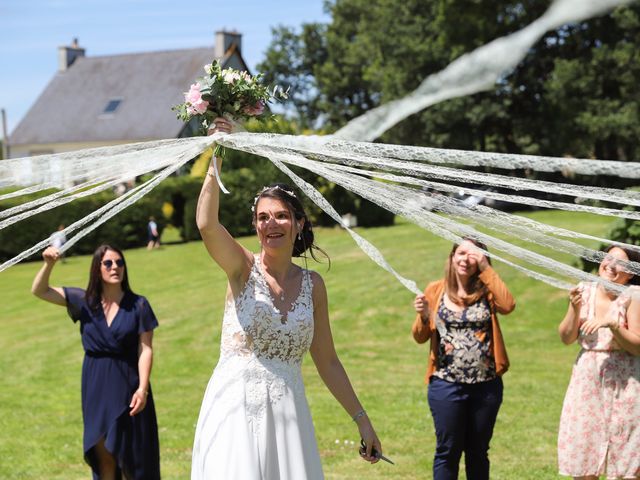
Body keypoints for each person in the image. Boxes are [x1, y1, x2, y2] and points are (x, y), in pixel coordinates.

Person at [190, 117, 382, 479]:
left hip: (288, 415)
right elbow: (206, 224)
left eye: (280, 216)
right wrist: (217, 151)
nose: (271, 224)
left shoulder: (313, 286)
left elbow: (328, 362)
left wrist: (362, 420)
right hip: (235, 411)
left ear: (298, 224)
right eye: (263, 218)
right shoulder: (241, 268)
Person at [31, 244, 161, 480]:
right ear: (97, 268)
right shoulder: (85, 302)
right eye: (108, 263)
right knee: (103, 458)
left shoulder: (138, 305)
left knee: (135, 457)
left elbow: (146, 348)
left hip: (129, 385)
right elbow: (40, 291)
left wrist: (142, 388)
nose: (115, 267)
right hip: (96, 385)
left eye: (119, 263)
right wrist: (48, 264)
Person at [412, 237, 515, 480]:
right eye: (461, 253)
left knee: (478, 452)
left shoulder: (487, 290)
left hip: (486, 387)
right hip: (446, 385)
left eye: (474, 255)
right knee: (447, 451)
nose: (465, 260)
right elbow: (419, 337)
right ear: (452, 257)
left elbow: (508, 305)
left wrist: (486, 268)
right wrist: (424, 316)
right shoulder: (435, 290)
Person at [557, 245, 640, 479]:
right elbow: (566, 337)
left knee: (626, 460)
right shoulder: (585, 290)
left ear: (631, 272)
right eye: (608, 258)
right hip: (587, 381)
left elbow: (637, 346)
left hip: (626, 384)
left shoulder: (634, 295)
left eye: (620, 263)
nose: (611, 266)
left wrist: (614, 326)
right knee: (584, 451)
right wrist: (574, 308)